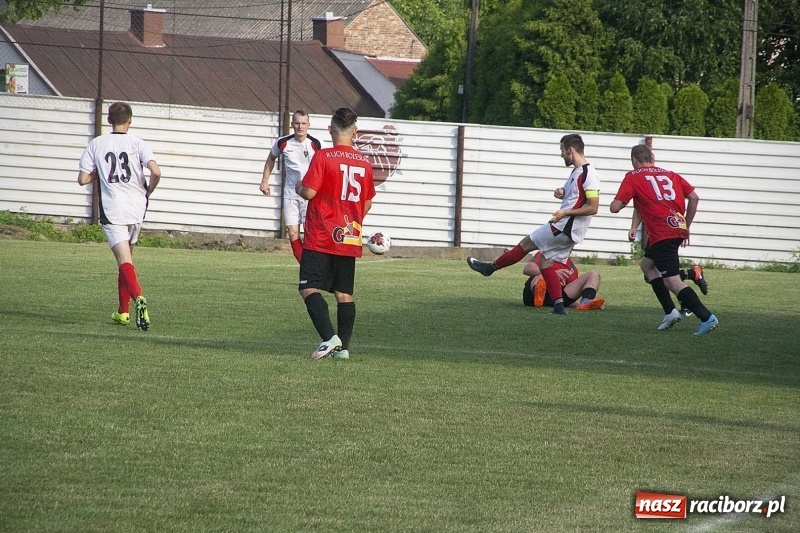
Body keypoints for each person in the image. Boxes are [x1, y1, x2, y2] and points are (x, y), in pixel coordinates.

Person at [467, 133, 601, 315]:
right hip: (569, 229)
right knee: (546, 263)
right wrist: (563, 192)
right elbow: (578, 198)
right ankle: (559, 307)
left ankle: (489, 268)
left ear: (570, 150)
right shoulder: (577, 173)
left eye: (562, 150)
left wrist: (565, 212)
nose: (561, 155)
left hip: (564, 227)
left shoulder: (589, 173)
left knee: (525, 244)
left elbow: (593, 207)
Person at [610, 144, 718, 335]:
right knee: (647, 266)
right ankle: (670, 312)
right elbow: (693, 197)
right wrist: (686, 225)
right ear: (652, 158)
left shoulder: (633, 176)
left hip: (662, 232)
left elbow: (615, 207)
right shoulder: (671, 175)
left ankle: (706, 317)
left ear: (634, 160)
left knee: (672, 281)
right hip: (674, 228)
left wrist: (613, 203)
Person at [296, 108, 376, 360]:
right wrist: (352, 220)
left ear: (330, 130)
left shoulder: (324, 156)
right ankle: (344, 350)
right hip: (348, 236)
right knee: (344, 293)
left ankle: (330, 338)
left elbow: (309, 192)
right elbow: (367, 203)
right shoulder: (364, 162)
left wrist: (299, 186)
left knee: (308, 287)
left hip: (321, 235)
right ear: (355, 132)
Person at [77, 102, 161, 330]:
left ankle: (139, 299)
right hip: (136, 208)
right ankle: (123, 312)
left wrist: (100, 173)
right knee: (127, 262)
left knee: (124, 261)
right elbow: (156, 172)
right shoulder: (138, 143)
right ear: (130, 120)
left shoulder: (97, 144)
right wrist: (149, 190)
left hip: (113, 209)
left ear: (108, 120)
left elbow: (83, 179)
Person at [260, 110, 322, 262]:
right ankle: (306, 266)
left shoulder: (317, 144)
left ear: (308, 125)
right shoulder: (283, 142)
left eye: (303, 123)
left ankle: (312, 267)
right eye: (297, 123)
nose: (300, 127)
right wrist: (264, 181)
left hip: (309, 194)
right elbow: (271, 158)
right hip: (291, 194)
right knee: (293, 233)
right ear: (292, 124)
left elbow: (326, 165)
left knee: (309, 233)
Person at [629, 208, 709, 316]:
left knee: (668, 277)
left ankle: (691, 307)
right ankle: (693, 275)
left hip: (664, 234)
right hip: (657, 233)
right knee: (653, 274)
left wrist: (685, 226)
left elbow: (690, 199)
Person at [522, 251, 605, 310]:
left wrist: (577, 304)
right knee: (542, 275)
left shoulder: (572, 268)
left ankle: (586, 301)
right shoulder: (547, 253)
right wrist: (552, 274)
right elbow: (528, 269)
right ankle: (539, 295)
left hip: (557, 299)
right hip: (531, 295)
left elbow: (570, 293)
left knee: (594, 274)